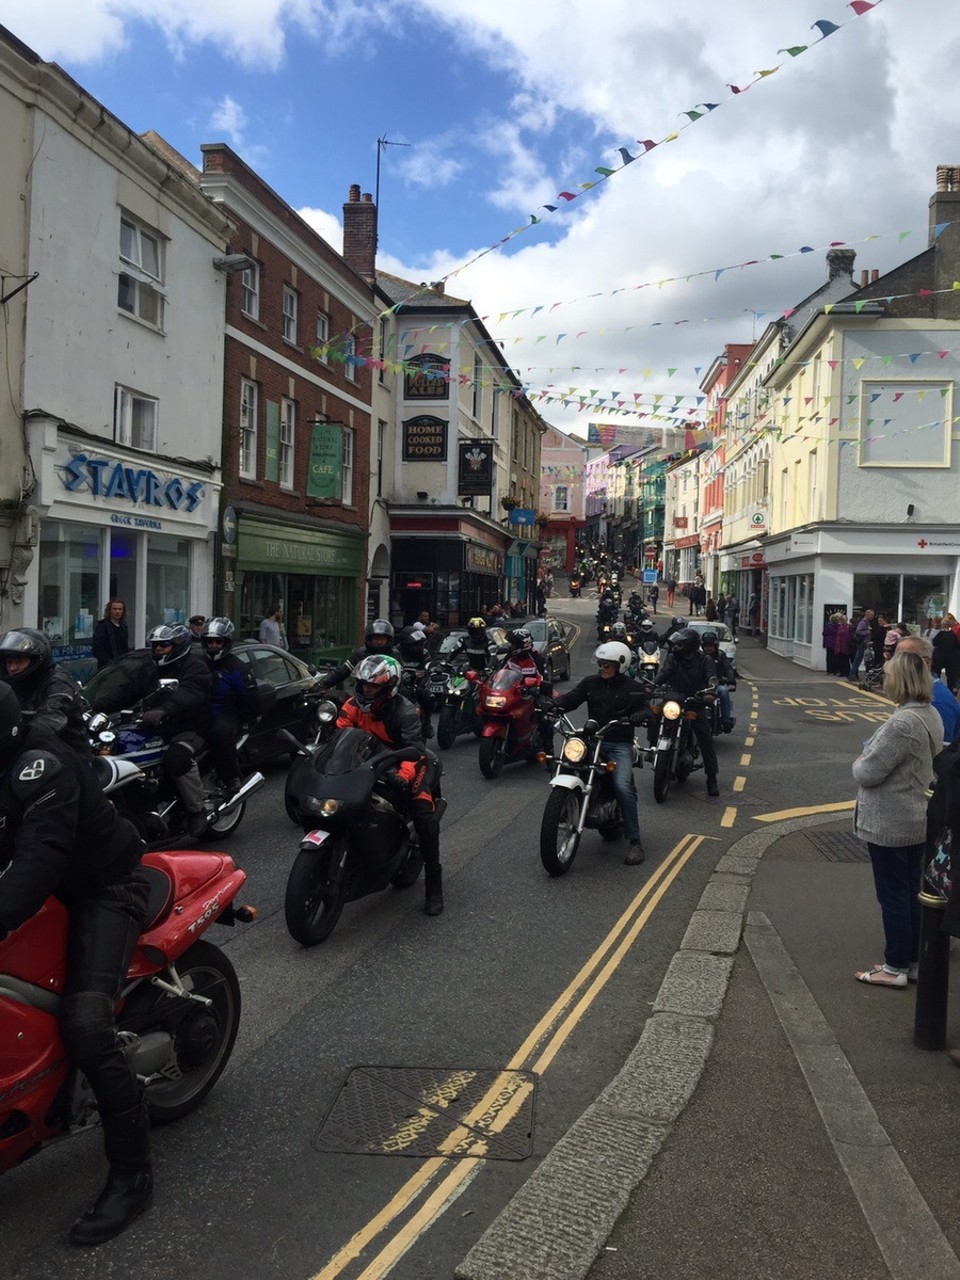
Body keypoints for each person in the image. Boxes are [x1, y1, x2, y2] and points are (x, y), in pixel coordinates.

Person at [0, 683, 152, 1244]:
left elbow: (37, 861)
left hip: (103, 887)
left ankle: (132, 1177)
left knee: (86, 1025)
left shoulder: (41, 767)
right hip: (43, 887)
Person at [853, 649, 943, 986]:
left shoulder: (902, 723)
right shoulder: (929, 713)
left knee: (892, 894)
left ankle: (893, 968)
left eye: (889, 675)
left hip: (891, 821)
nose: (886, 680)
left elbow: (868, 771)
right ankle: (911, 962)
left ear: (901, 680)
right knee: (909, 893)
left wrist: (859, 760)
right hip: (916, 816)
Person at [336, 654, 444, 915]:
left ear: (388, 686)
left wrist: (403, 777)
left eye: (372, 686)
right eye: (363, 685)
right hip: (367, 763)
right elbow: (339, 735)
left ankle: (434, 886)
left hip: (406, 763)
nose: (366, 690)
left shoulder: (405, 711)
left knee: (423, 818)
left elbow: (415, 749)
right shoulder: (352, 704)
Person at [92, 625, 213, 838]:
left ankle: (197, 810)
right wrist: (97, 705)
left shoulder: (195, 667)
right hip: (155, 726)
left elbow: (190, 692)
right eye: (155, 646)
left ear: (178, 646)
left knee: (177, 758)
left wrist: (165, 709)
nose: (158, 650)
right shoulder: (149, 668)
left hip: (189, 727)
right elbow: (127, 690)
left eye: (164, 646)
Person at [552, 641, 649, 864]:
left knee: (623, 786)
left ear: (621, 665)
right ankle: (565, 807)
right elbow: (571, 699)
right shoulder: (590, 682)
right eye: (601, 664)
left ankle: (635, 842)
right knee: (566, 762)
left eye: (608, 665)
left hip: (618, 743)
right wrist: (552, 704)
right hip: (592, 739)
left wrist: (640, 715)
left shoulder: (632, 687)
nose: (603, 668)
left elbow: (646, 709)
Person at [652, 626, 720, 796]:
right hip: (674, 699)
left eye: (680, 645)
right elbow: (664, 673)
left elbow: (711, 677)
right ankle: (654, 748)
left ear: (690, 645)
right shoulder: (673, 658)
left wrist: (710, 690)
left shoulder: (705, 660)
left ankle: (712, 778)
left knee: (705, 738)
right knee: (653, 717)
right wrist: (651, 685)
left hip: (695, 701)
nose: (676, 648)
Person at [0, 627, 90, 754]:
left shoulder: (58, 682)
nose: (12, 668)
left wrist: (14, 738)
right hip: (30, 754)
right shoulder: (12, 682)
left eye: (19, 661)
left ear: (38, 659)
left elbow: (49, 721)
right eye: (9, 662)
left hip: (68, 757)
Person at [200, 618, 257, 793]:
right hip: (199, 713)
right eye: (210, 641)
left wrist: (242, 721)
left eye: (218, 641)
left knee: (220, 732)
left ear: (226, 643)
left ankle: (230, 777)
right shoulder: (197, 663)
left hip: (225, 713)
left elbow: (249, 698)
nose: (214, 645)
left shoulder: (237, 668)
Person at [897, 634, 960, 746]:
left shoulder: (937, 700)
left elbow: (942, 753)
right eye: (896, 657)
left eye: (907, 659)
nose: (898, 664)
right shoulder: (917, 692)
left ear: (927, 662)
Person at [319, 619, 398, 693]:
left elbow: (401, 678)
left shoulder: (394, 656)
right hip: (362, 694)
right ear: (369, 639)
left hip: (387, 694)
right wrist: (323, 684)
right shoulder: (360, 654)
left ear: (388, 640)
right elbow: (342, 672)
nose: (379, 642)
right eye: (376, 638)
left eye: (383, 638)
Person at [700, 629, 736, 731]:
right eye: (706, 646)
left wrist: (731, 678)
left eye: (711, 646)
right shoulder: (699, 657)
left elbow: (728, 668)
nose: (708, 648)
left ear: (715, 646)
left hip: (717, 684)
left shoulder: (721, 655)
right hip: (702, 685)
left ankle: (726, 720)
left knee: (724, 692)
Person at [91, 599, 130, 670]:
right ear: (109, 610)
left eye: (120, 609)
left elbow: (125, 647)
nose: (117, 612)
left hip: (121, 666)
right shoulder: (102, 626)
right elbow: (97, 648)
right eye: (114, 609)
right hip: (106, 667)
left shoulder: (123, 627)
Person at [848, 608, 874, 682]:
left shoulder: (866, 622)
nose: (872, 617)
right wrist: (867, 632)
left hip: (863, 644)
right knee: (857, 660)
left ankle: (853, 675)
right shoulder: (863, 622)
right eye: (872, 615)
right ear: (867, 615)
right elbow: (858, 631)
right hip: (862, 644)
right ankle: (852, 675)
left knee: (858, 660)